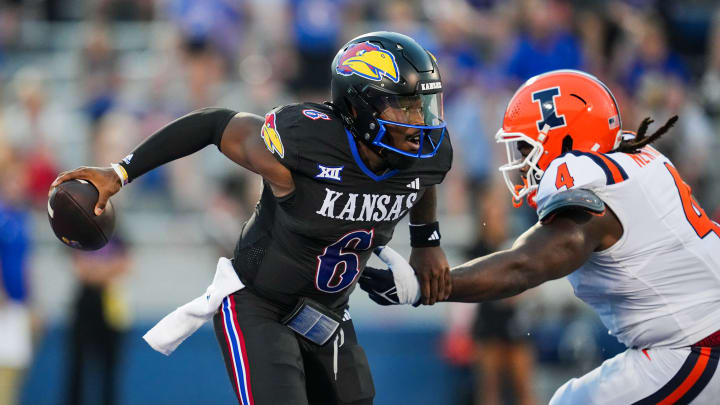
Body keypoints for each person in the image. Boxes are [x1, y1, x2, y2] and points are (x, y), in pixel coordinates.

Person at [51, 31, 453, 405]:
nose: (421, 121)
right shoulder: (308, 147)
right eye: (405, 106)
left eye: (422, 106)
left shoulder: (422, 153)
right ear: (360, 105)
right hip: (260, 303)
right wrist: (120, 172)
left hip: (327, 310)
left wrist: (427, 241)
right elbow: (215, 125)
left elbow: (421, 178)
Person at [360, 69, 720, 404]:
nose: (520, 159)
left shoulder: (587, 181)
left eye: (525, 146)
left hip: (696, 344)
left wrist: (430, 286)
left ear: (565, 138)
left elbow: (525, 266)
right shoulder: (633, 159)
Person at [65, 235, 131, 405]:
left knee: (110, 372)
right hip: (85, 307)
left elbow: (126, 265)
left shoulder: (120, 235)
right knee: (77, 370)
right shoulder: (78, 232)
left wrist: (95, 271)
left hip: (111, 308)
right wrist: (108, 270)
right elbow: (80, 270)